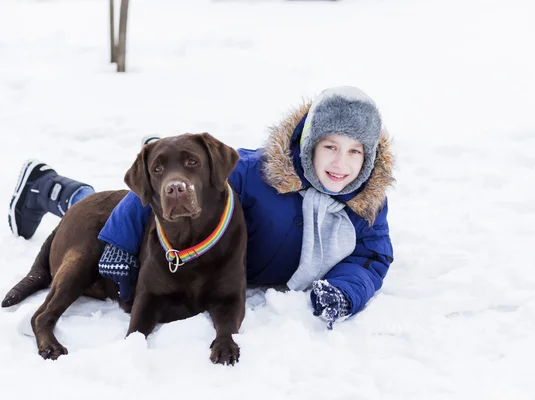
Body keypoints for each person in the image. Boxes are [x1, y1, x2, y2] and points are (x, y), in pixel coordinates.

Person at [8, 86, 395, 329]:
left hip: (217, 256)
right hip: (166, 217)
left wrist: (345, 292)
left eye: (355, 152)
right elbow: (138, 204)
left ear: (369, 158)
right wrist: (117, 243)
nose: (340, 164)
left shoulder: (367, 205)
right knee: (110, 208)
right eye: (330, 147)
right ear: (309, 143)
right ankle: (46, 186)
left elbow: (371, 258)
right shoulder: (258, 171)